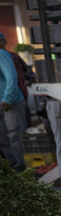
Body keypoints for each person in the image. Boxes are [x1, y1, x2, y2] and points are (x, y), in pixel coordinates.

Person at [0, 32, 27, 171]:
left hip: (10, 102)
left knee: (15, 136)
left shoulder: (1, 54)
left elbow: (11, 75)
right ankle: (12, 167)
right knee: (3, 138)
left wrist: (8, 98)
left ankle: (21, 167)